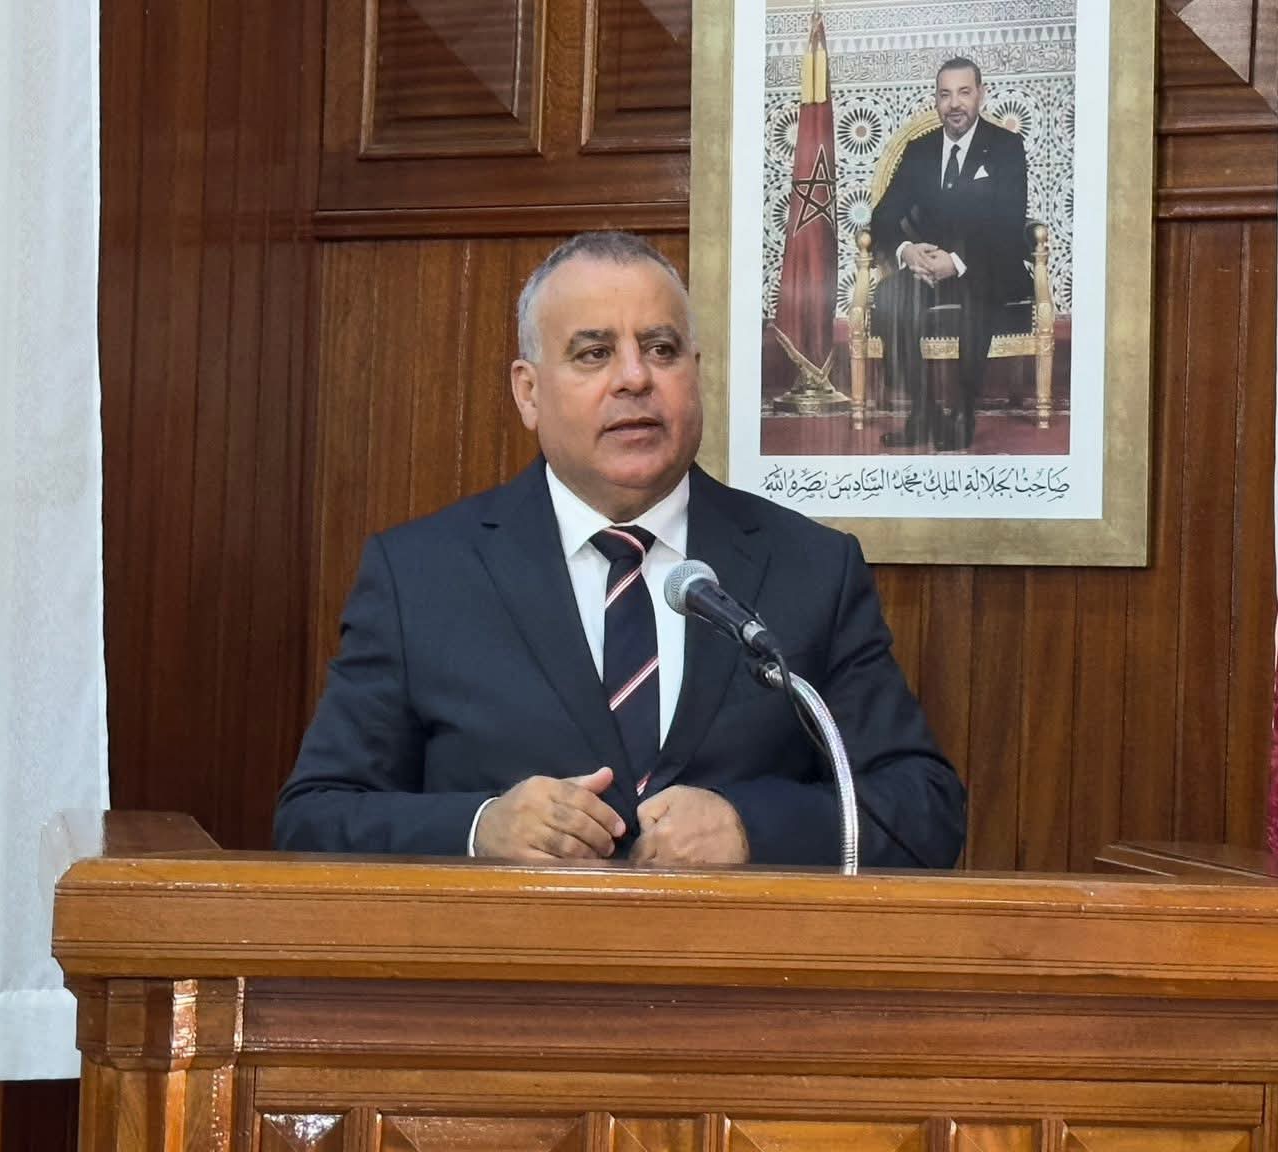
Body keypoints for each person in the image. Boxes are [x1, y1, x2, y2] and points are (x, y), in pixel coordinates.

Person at [274, 231, 966, 868]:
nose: (635, 378)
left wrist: (753, 827)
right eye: (594, 353)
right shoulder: (421, 576)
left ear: (696, 373)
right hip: (512, 961)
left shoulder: (810, 568)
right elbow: (314, 817)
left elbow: (924, 810)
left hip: (735, 962)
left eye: (661, 350)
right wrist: (480, 828)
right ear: (528, 393)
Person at [870, 57, 1033, 452]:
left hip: (988, 267)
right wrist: (908, 252)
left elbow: (1009, 223)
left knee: (976, 292)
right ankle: (923, 412)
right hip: (929, 269)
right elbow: (882, 217)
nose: (954, 103)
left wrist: (956, 263)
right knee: (890, 296)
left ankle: (963, 413)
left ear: (981, 94)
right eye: (945, 95)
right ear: (936, 100)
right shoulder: (920, 151)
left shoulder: (1006, 146)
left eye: (964, 92)